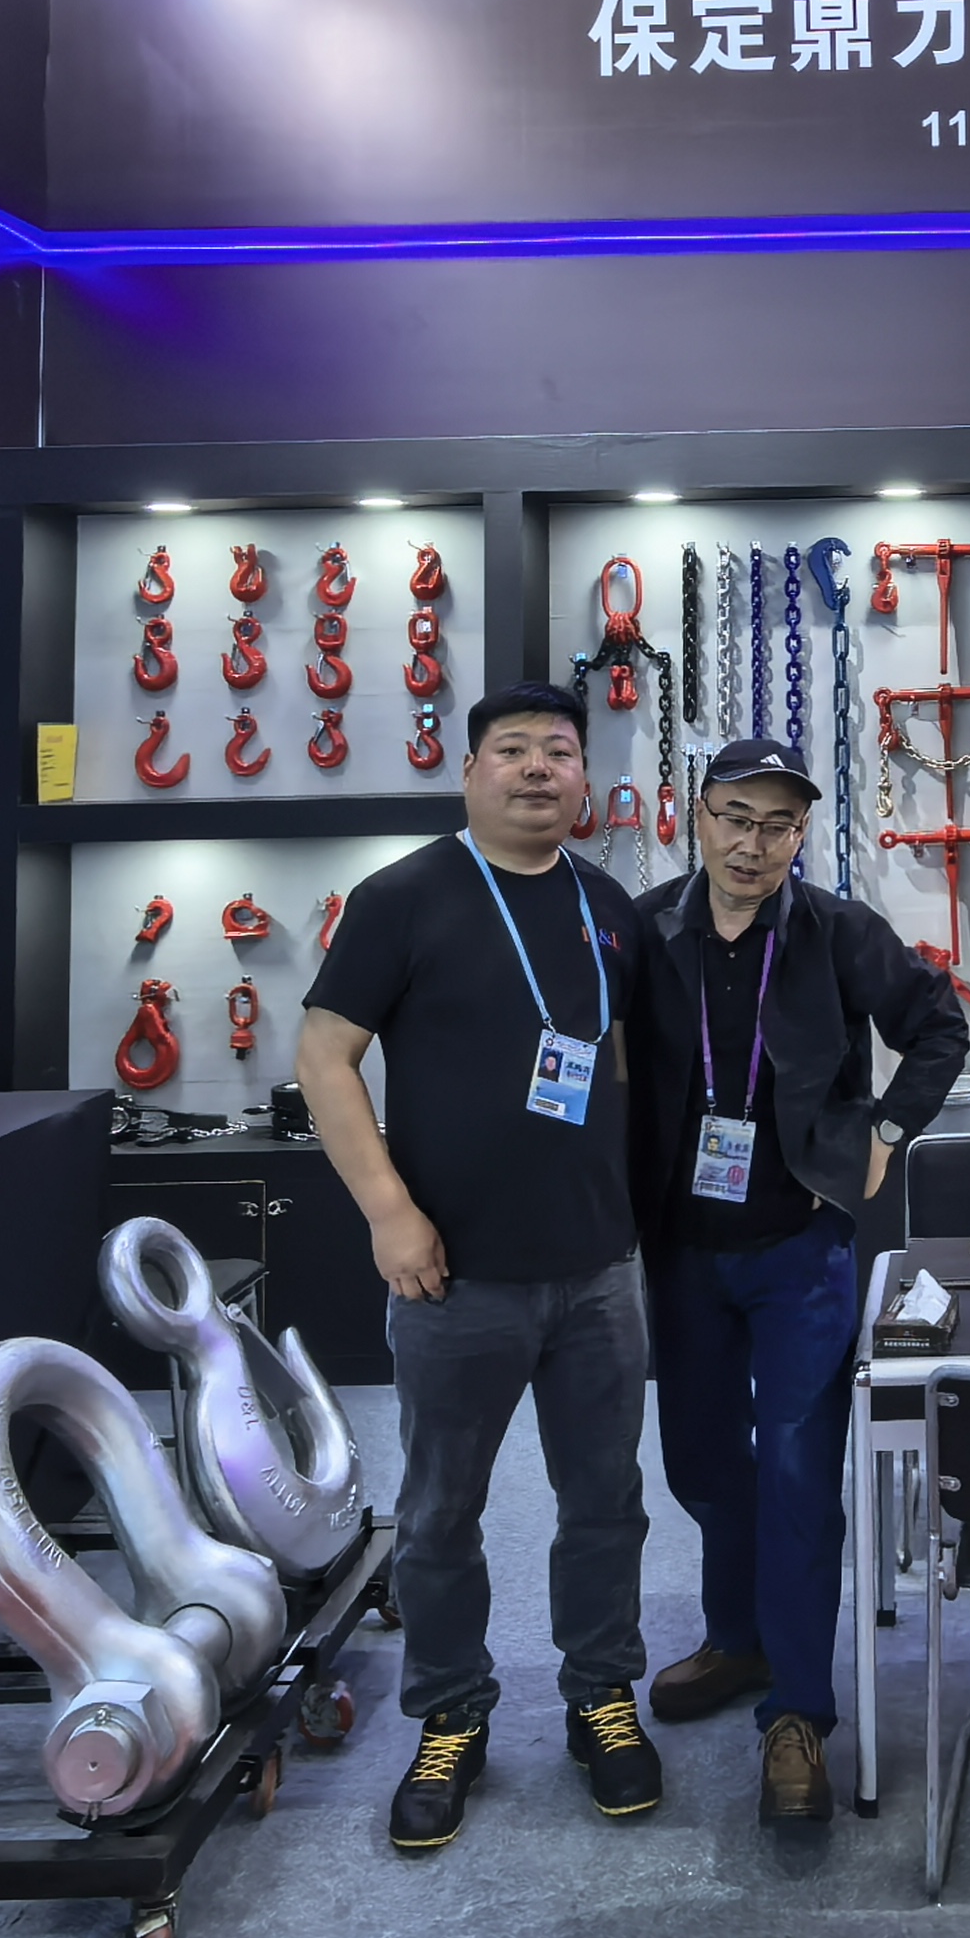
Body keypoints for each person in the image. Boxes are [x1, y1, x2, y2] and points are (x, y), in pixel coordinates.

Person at [297, 682, 664, 1854]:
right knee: (440, 1513)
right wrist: (387, 1211)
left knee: (604, 1505)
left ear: (584, 777)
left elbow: (621, 1065)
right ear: (469, 773)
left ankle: (600, 1695)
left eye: (560, 750)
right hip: (451, 1278)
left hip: (597, 1274)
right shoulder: (403, 898)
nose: (539, 768)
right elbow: (323, 1056)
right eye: (513, 750)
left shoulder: (609, 907)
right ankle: (450, 1712)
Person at [630, 736, 970, 1825]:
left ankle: (798, 1712)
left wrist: (887, 1129)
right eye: (735, 818)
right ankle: (738, 1641)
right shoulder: (645, 930)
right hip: (681, 1251)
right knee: (699, 1463)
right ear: (699, 817)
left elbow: (939, 1027)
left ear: (800, 836)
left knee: (794, 1474)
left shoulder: (836, 931)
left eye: (777, 825)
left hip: (801, 1251)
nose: (753, 843)